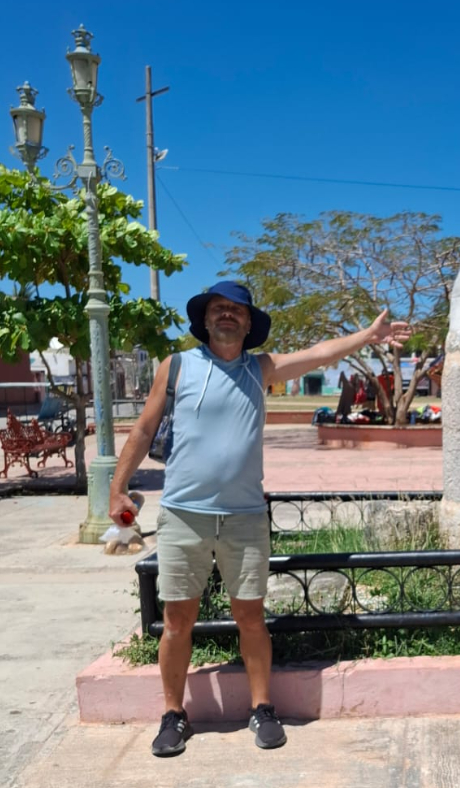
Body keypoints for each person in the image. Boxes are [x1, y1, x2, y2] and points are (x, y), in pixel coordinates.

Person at [109, 280, 410, 758]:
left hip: (245, 517)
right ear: (204, 319)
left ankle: (262, 708)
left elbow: (319, 353)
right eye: (219, 309)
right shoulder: (179, 366)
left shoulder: (260, 369)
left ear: (249, 324)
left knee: (250, 617)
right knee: (176, 620)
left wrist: (368, 336)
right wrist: (117, 486)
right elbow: (145, 427)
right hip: (184, 515)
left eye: (237, 310)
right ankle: (173, 715)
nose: (227, 315)